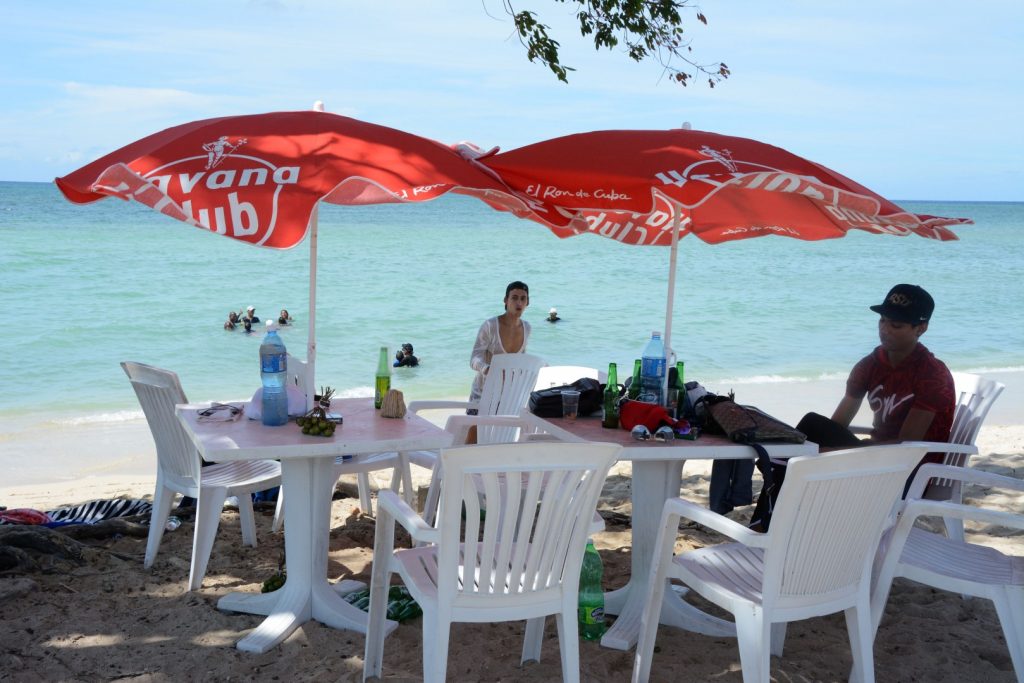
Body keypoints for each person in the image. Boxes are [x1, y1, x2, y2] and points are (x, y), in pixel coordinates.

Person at [792, 283, 955, 495]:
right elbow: (836, 426)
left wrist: (837, 453)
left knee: (804, 461)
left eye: (895, 325)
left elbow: (907, 447)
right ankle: (769, 518)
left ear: (921, 328)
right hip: (877, 456)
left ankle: (769, 522)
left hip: (910, 471)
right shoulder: (870, 364)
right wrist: (824, 449)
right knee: (812, 425)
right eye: (882, 320)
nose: (884, 330)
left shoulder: (931, 374)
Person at [469, 281, 531, 410]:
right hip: (482, 395)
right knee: (475, 430)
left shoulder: (527, 328)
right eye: (514, 298)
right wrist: (488, 369)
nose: (519, 303)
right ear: (505, 300)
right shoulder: (490, 326)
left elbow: (520, 361)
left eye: (523, 298)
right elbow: (474, 359)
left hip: (508, 398)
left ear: (527, 302)